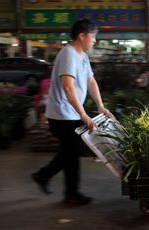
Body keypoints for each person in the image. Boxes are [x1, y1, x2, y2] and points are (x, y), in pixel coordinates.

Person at [31, 19, 113, 206]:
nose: (94, 41)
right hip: (61, 115)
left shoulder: (82, 55)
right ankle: (58, 185)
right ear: (82, 36)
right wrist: (84, 114)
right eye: (93, 37)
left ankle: (60, 186)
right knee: (73, 151)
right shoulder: (68, 54)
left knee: (71, 151)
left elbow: (91, 81)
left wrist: (100, 105)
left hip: (71, 114)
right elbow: (68, 87)